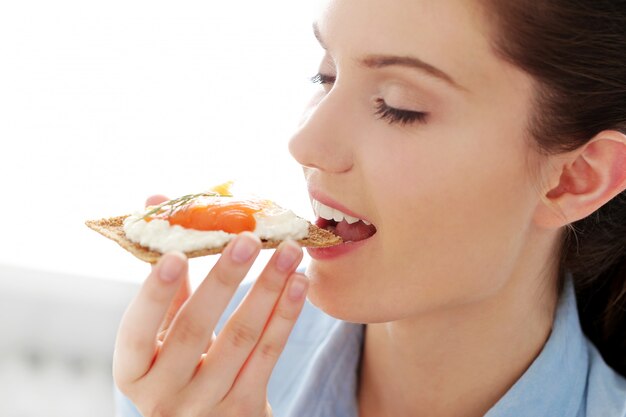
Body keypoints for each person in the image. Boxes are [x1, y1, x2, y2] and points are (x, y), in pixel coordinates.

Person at [113, 0, 626, 416]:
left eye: (400, 106)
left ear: (575, 178)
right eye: (326, 75)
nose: (306, 144)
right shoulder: (196, 363)